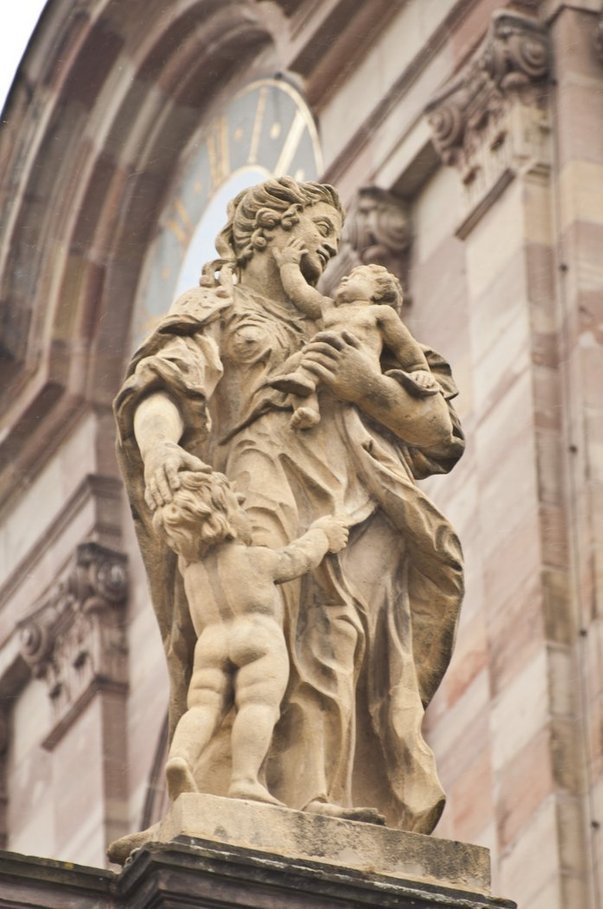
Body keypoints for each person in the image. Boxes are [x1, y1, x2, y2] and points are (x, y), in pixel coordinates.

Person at [111, 176, 464, 862]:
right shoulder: (218, 306)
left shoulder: (348, 322)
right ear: (269, 234)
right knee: (266, 630)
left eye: (333, 238)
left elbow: (440, 432)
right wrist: (158, 446)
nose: (327, 248)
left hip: (359, 499)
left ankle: (318, 794)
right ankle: (245, 784)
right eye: (315, 231)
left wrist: (368, 387)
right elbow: (162, 383)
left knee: (340, 636)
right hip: (258, 486)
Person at [152, 469, 349, 806]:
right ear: (224, 515)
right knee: (258, 706)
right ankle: (244, 779)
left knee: (202, 708)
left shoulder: (192, 572)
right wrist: (322, 534)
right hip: (257, 640)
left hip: (211, 646)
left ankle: (181, 758)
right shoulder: (255, 559)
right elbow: (297, 559)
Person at [270, 238, 439, 429]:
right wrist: (289, 265)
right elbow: (299, 291)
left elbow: (404, 346)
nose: (344, 278)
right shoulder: (329, 307)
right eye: (346, 276)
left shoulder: (378, 312)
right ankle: (308, 409)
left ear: (377, 293)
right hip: (320, 354)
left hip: (358, 362)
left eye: (356, 277)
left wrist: (420, 369)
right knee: (295, 362)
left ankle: (303, 380)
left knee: (324, 344)